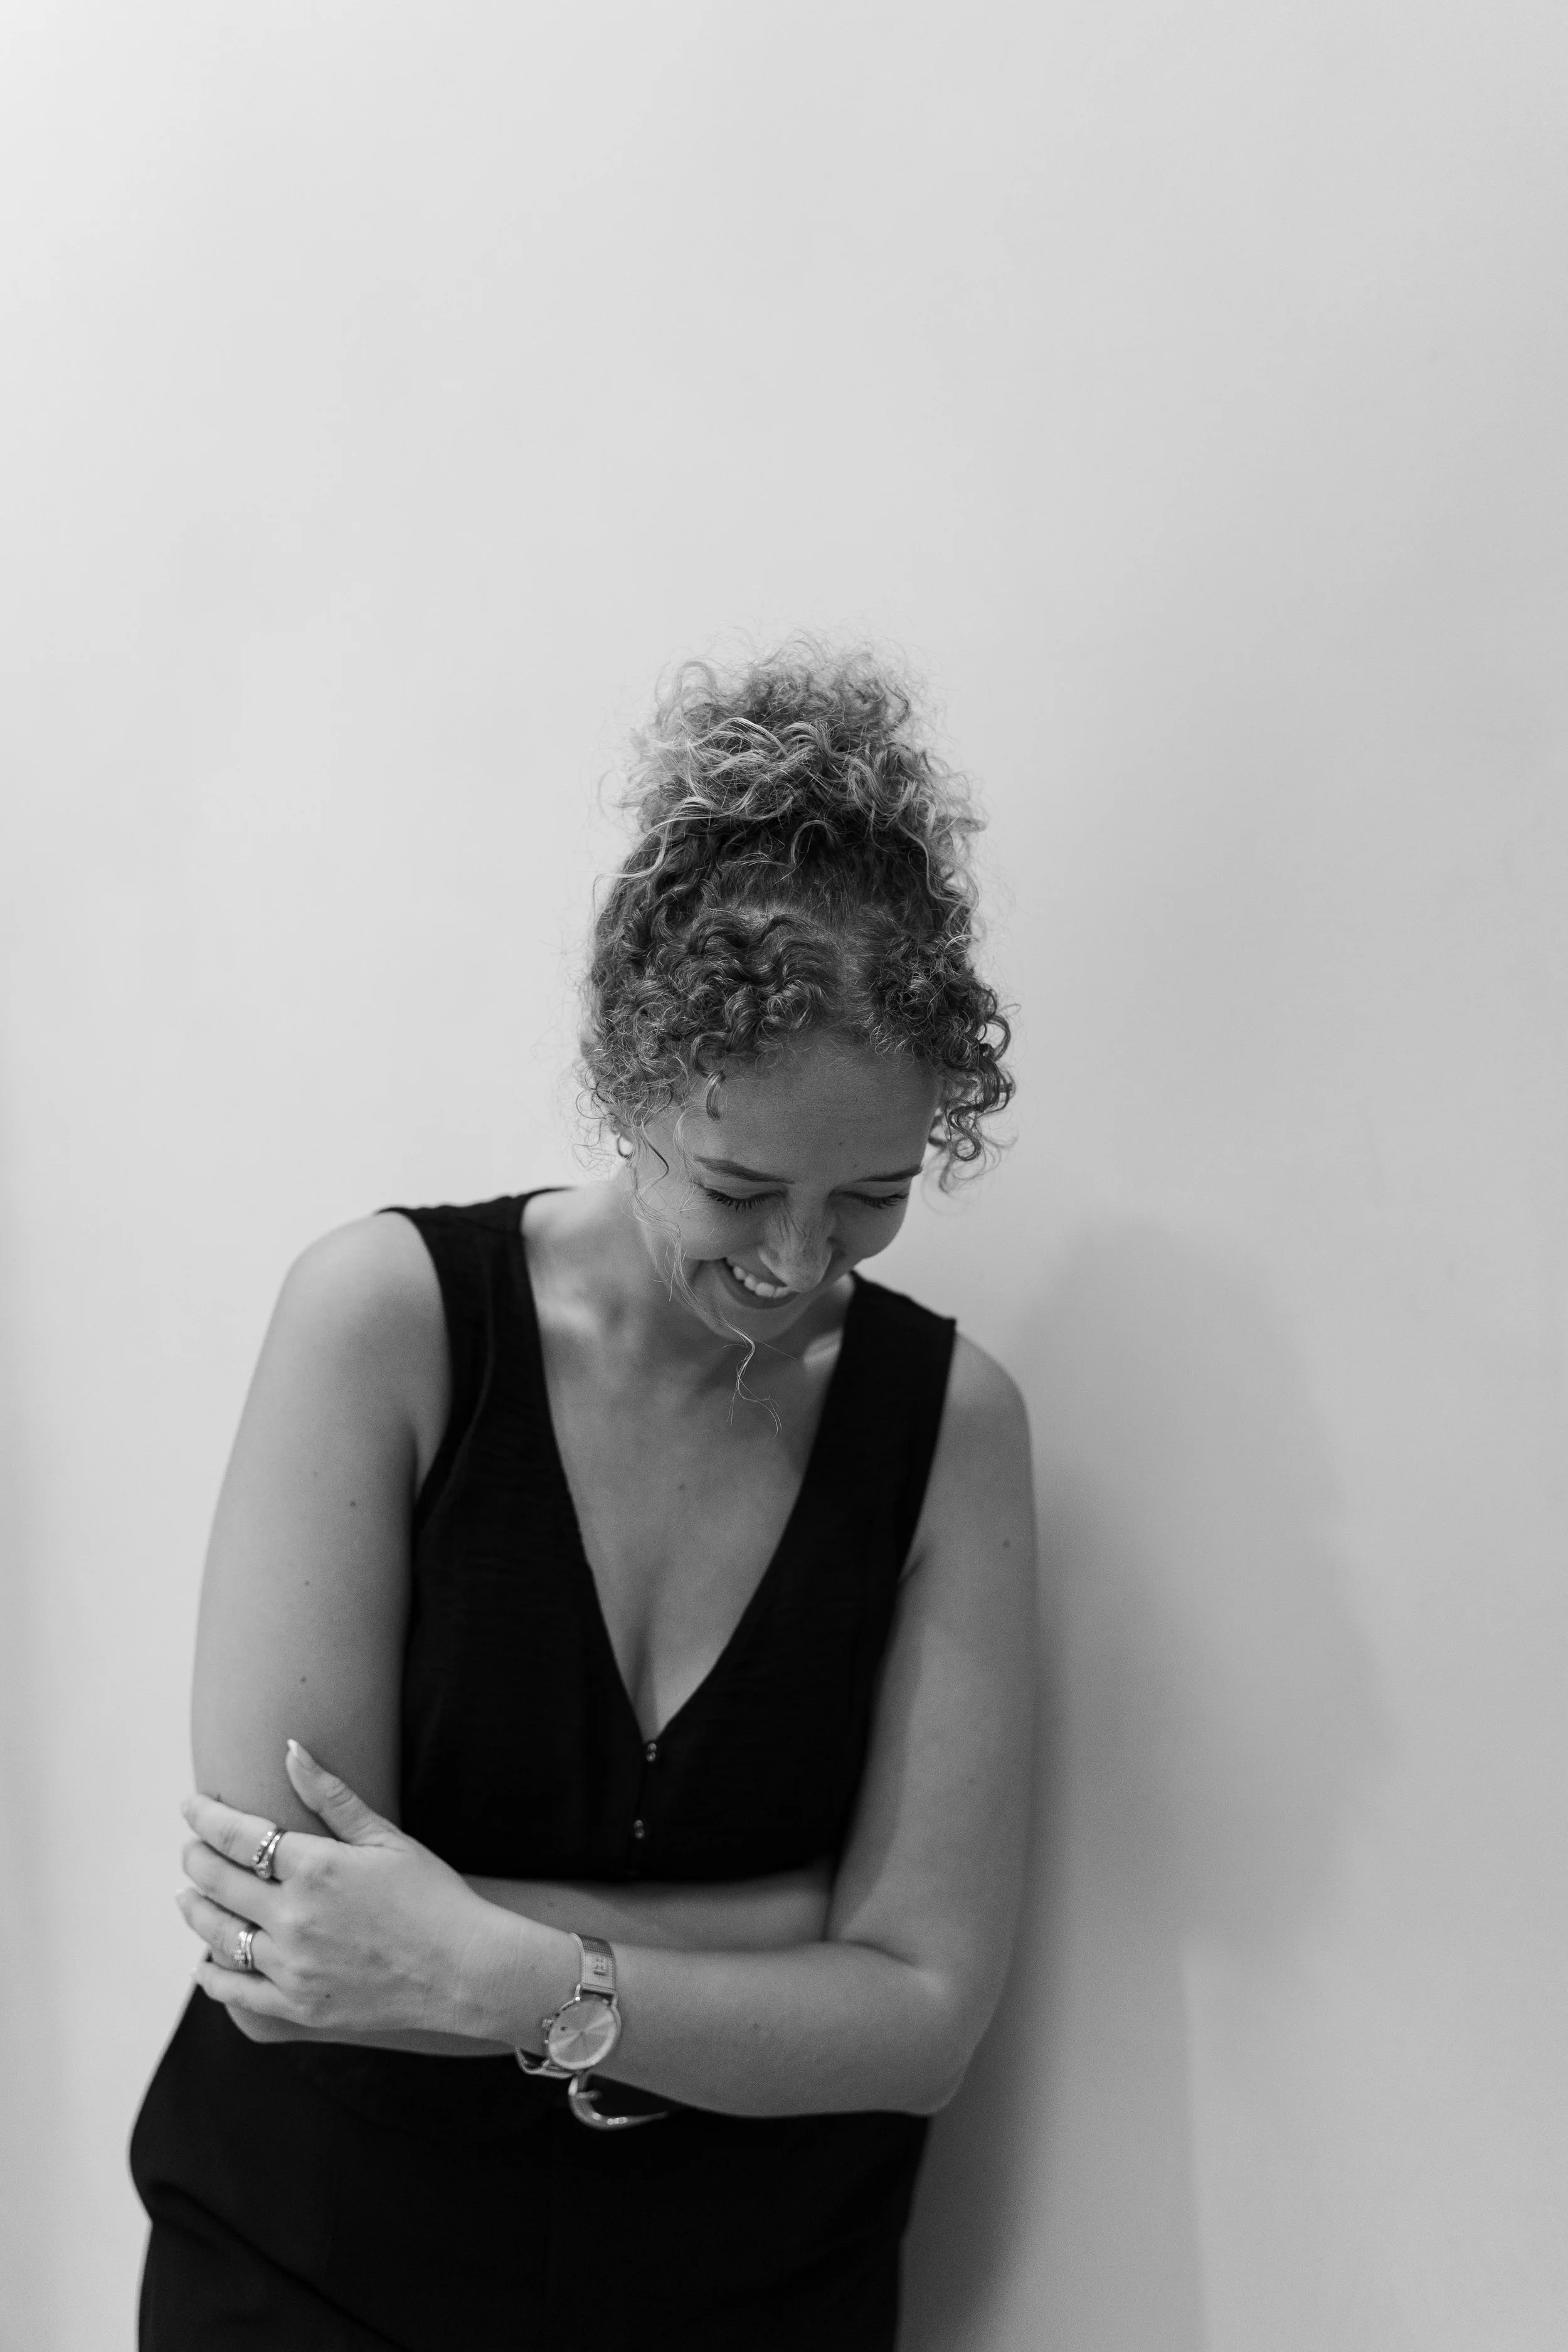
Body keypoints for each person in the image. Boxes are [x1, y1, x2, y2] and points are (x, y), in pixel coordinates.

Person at [130, 645, 1037, 2351]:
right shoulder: (385, 1321)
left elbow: (923, 2023)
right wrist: (789, 1932)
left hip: (756, 2290)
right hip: (316, 2268)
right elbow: (288, 1941)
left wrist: (486, 1962)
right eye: (739, 1183)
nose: (794, 1260)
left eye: (870, 1197)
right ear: (627, 1086)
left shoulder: (950, 1429)